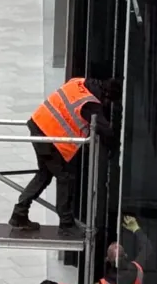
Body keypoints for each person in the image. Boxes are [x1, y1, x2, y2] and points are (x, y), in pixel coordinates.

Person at [9, 76, 114, 231]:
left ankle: (19, 214)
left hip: (38, 124)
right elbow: (106, 131)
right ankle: (66, 222)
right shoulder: (91, 104)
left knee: (44, 174)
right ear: (106, 96)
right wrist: (115, 147)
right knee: (65, 177)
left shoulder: (78, 82)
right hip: (49, 136)